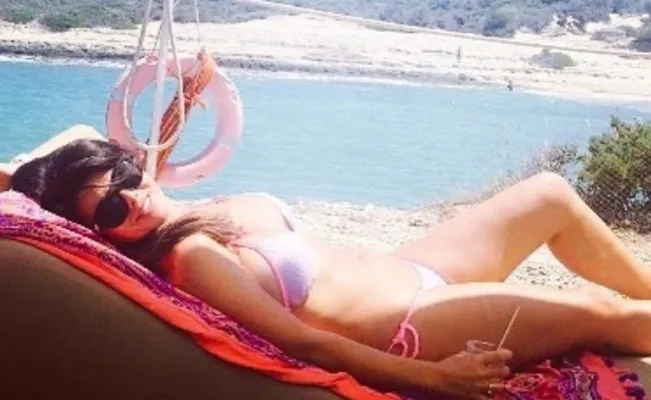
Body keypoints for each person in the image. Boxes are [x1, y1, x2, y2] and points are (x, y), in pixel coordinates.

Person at [4, 130, 651, 400]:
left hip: (411, 268)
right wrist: (435, 379)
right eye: (110, 209)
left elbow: (88, 143)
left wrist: (17, 173)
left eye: (126, 176)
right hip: (412, 324)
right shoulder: (190, 254)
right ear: (97, 231)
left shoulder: (175, 205)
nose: (132, 199)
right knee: (603, 315)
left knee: (547, 194)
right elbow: (303, 343)